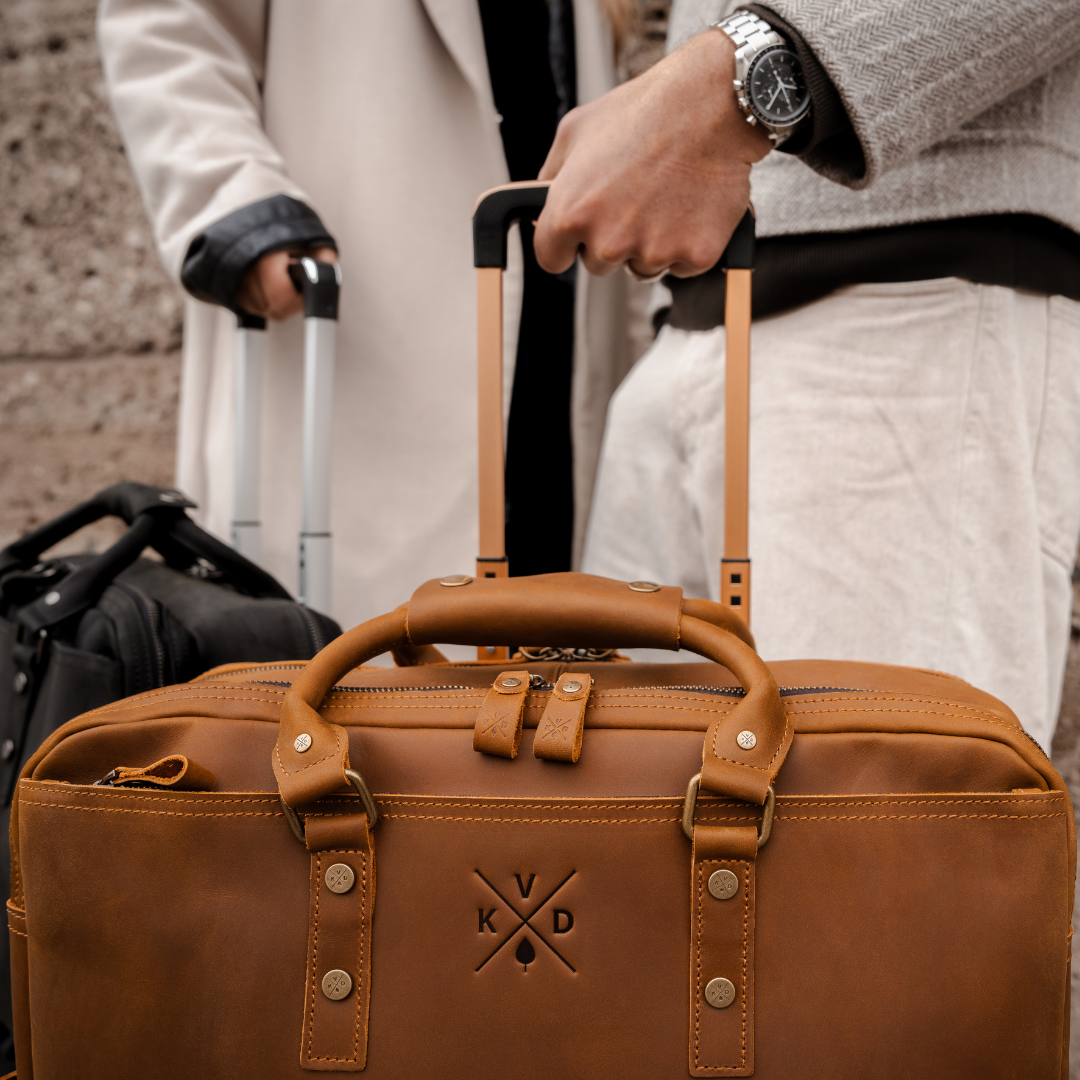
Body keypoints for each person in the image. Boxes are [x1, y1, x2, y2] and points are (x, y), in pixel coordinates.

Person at [533, 0, 1080, 751]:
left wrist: (741, 79)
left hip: (913, 299)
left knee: (881, 834)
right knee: (630, 826)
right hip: (690, 317)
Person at [96, 0, 642, 632]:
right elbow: (170, 25)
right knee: (348, 674)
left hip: (557, 325)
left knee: (545, 629)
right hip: (356, 312)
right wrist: (233, 200)